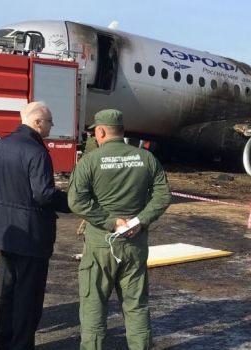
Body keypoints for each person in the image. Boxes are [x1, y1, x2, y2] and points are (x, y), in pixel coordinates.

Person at [68, 109, 171, 350]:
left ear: (101, 131)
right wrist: (140, 220)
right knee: (136, 306)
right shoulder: (146, 158)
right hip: (134, 245)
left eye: (95, 132)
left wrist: (111, 222)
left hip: (100, 246)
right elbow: (162, 195)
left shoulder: (90, 161)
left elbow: (77, 201)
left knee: (94, 305)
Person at [0, 101, 70, 349]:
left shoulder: (2, 144)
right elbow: (43, 194)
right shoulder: (37, 151)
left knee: (5, 290)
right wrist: (70, 201)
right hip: (31, 234)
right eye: (50, 122)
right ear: (37, 122)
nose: (51, 127)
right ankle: (21, 344)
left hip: (3, 229)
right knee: (28, 295)